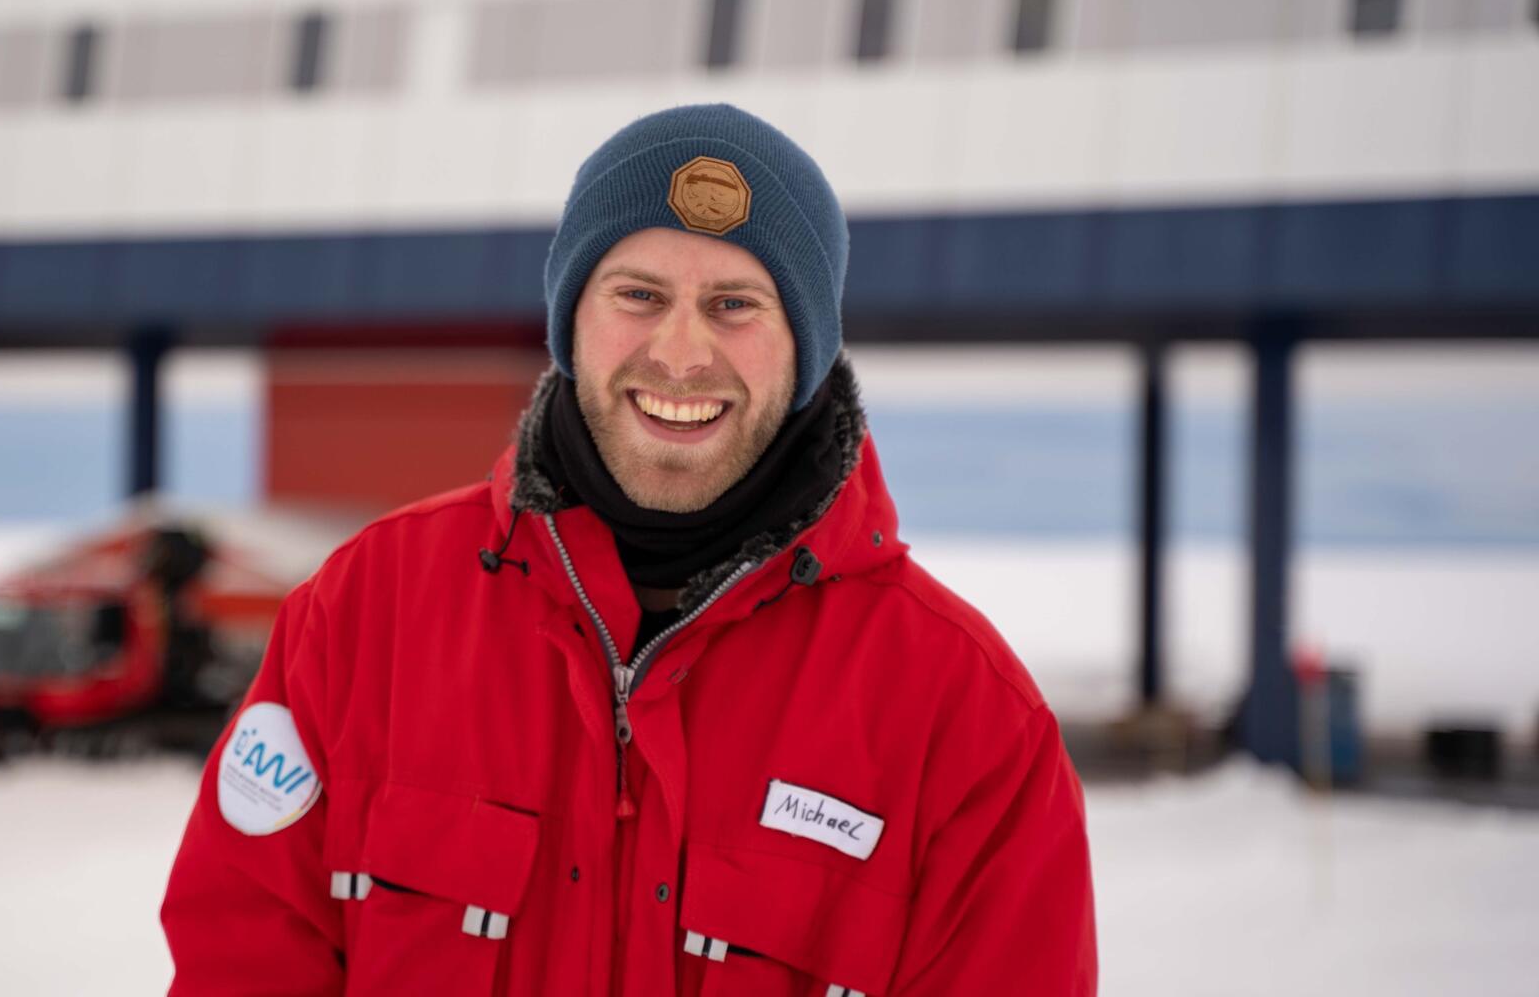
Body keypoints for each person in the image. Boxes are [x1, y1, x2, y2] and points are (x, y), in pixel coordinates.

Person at [162, 103, 1097, 996]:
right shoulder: (365, 614)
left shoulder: (965, 717)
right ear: (572, 318)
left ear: (808, 349)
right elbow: (241, 964)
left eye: (735, 304)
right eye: (639, 295)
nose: (681, 353)